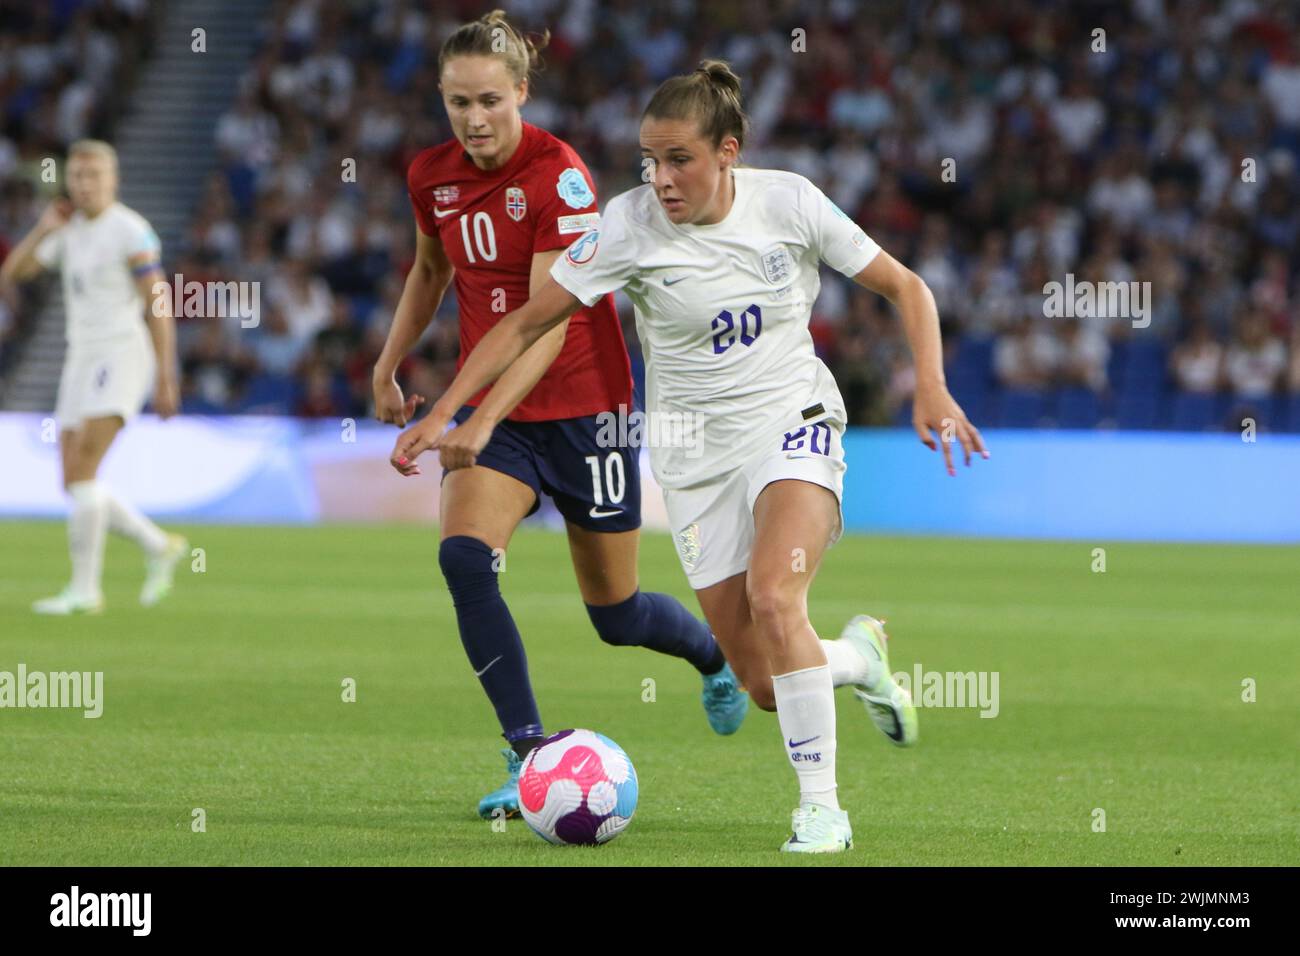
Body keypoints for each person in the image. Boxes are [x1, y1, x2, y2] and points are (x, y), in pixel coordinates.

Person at [392, 60, 988, 853]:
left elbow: (907, 286)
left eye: (680, 160)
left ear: (728, 153)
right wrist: (447, 409)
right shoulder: (627, 225)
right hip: (694, 460)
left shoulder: (791, 203)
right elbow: (529, 322)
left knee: (778, 600)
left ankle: (821, 810)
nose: (661, 178)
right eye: (650, 160)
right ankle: (861, 658)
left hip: (791, 422)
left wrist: (932, 387)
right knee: (766, 684)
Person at [372, 13, 747, 820]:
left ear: (522, 94)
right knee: (465, 562)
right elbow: (430, 270)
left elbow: (546, 322)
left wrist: (465, 419)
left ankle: (714, 655)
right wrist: (389, 362)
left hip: (587, 411)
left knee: (617, 616)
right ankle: (529, 754)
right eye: (457, 102)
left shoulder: (559, 176)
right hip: (497, 415)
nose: (474, 119)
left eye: (490, 102)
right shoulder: (429, 176)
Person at [0, 139, 187, 614]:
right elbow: (11, 274)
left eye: (94, 176)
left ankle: (85, 591)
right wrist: (43, 229)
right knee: (73, 480)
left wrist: (166, 374)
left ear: (113, 180)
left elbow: (158, 302)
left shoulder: (131, 231)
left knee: (83, 469)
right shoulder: (66, 231)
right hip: (80, 359)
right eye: (77, 177)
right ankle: (157, 545)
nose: (84, 185)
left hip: (122, 355)